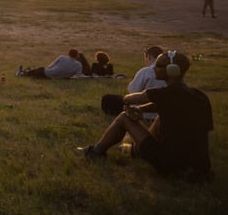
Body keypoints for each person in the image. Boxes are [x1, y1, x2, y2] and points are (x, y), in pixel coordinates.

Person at [75, 50, 213, 181]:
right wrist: (141, 109)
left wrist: (124, 102)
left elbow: (129, 99)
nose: (154, 68)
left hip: (170, 165)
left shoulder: (162, 93)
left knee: (124, 117)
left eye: (158, 65)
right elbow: (167, 106)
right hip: (199, 168)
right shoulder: (199, 96)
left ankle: (96, 151)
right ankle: (136, 151)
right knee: (161, 116)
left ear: (172, 71)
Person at [17, 49, 83, 79]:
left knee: (41, 69)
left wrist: (48, 69)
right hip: (59, 78)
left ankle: (22, 74)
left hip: (48, 73)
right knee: (37, 73)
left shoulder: (62, 57)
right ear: (77, 56)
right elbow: (78, 76)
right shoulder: (79, 65)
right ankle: (27, 72)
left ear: (68, 54)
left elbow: (52, 65)